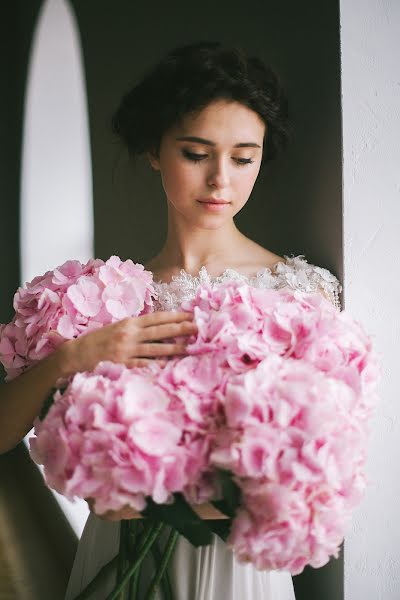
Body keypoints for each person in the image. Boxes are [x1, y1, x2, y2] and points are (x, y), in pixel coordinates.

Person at [0, 41, 341, 599]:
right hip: (113, 563)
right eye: (195, 152)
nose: (220, 181)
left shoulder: (299, 296)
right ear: (155, 151)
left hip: (234, 570)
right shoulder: (100, 297)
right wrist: (73, 357)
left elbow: (310, 477)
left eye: (243, 156)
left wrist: (137, 498)